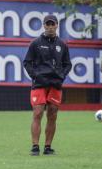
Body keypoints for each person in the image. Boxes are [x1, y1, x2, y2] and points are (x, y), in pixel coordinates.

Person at [23, 15, 71, 156]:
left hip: (55, 84)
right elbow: (27, 62)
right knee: (37, 113)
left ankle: (48, 147)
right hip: (39, 84)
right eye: (47, 24)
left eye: (53, 24)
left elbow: (68, 64)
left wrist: (61, 76)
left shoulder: (62, 45)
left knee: (52, 115)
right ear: (44, 26)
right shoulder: (35, 43)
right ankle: (35, 146)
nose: (50, 27)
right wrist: (36, 76)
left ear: (57, 25)